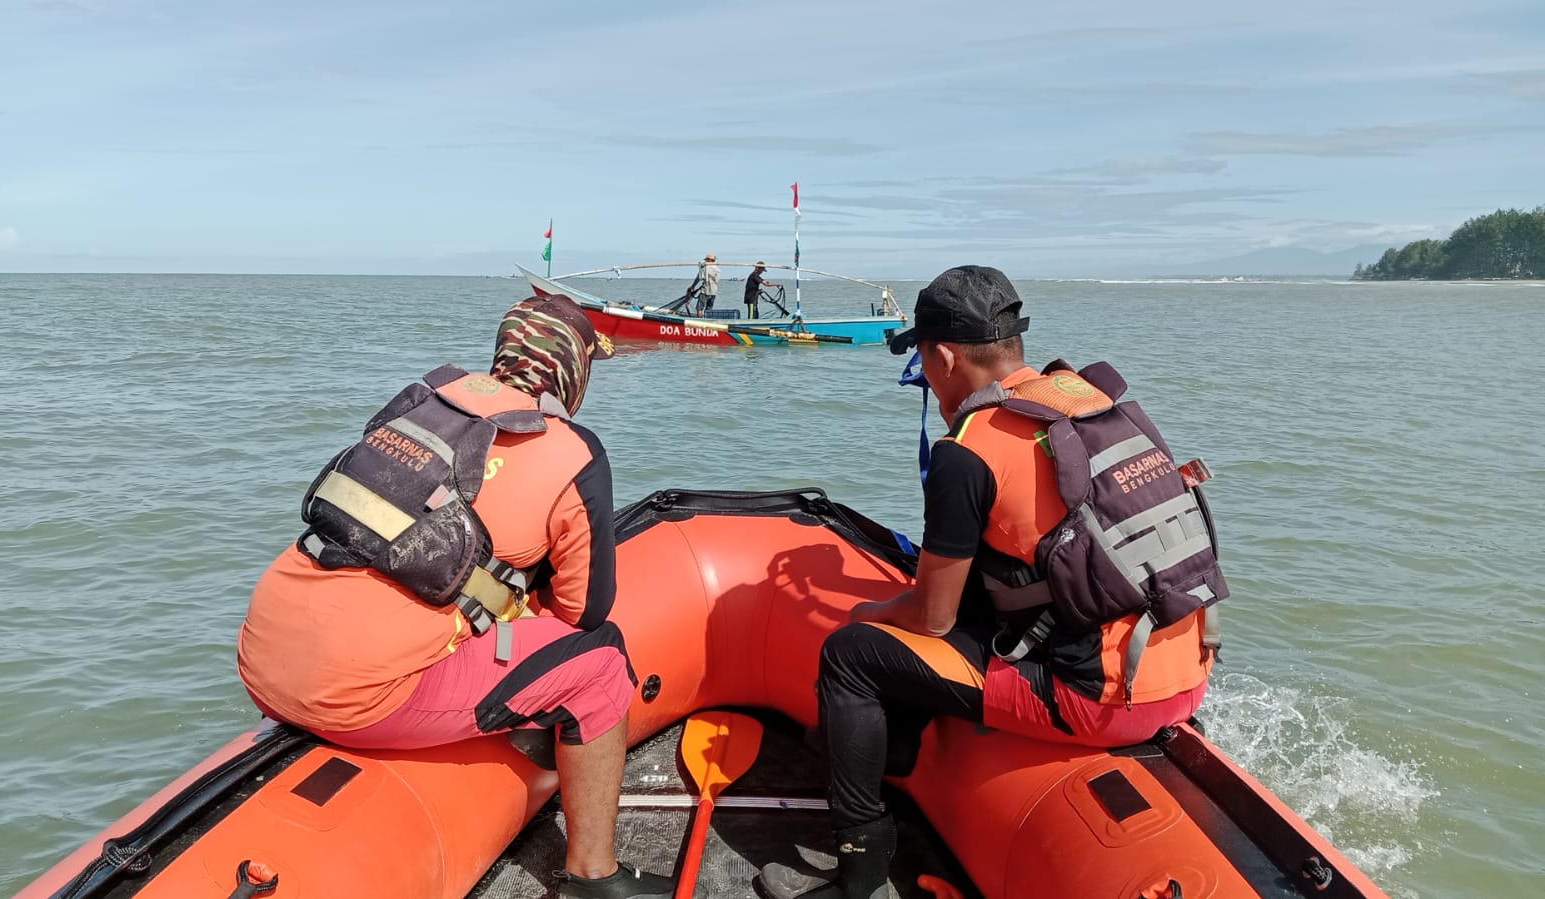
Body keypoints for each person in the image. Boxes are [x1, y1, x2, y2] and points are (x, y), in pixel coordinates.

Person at [761, 266, 1226, 899]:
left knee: (851, 657)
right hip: (1188, 672)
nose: (925, 375)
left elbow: (929, 618)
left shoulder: (969, 448)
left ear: (945, 356)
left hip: (1101, 700)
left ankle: (861, 860)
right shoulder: (1090, 401)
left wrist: (867, 611)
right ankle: (893, 752)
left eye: (924, 360)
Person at [238, 295, 688, 899]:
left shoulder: (424, 399)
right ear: (572, 370)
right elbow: (584, 611)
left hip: (261, 655)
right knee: (601, 662)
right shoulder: (572, 450)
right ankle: (592, 876)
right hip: (358, 695)